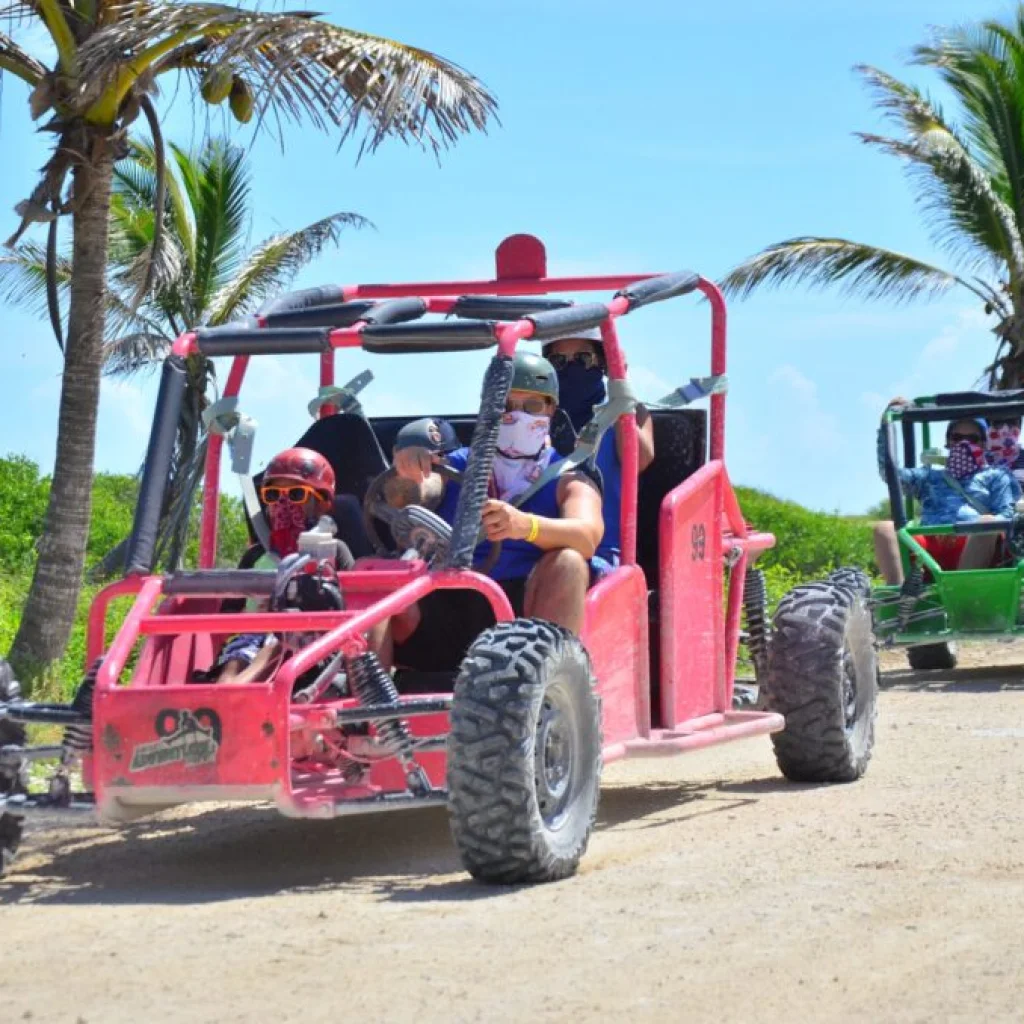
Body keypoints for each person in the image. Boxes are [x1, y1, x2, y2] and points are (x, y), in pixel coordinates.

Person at [376, 351, 605, 672]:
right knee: (373, 573)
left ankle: (546, 694)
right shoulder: (457, 464)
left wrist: (526, 527)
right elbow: (411, 495)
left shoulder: (567, 477)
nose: (518, 417)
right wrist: (409, 470)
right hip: (445, 604)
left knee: (569, 562)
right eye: (506, 407)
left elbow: (587, 536)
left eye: (532, 407)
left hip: (521, 616)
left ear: (551, 409)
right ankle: (364, 707)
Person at [216, 447, 352, 682]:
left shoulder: (333, 550)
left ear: (321, 503)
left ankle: (240, 690)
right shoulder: (257, 556)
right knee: (232, 664)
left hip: (314, 637)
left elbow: (354, 603)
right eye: (273, 495)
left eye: (296, 494)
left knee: (277, 644)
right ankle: (223, 702)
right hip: (254, 636)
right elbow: (227, 613)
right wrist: (254, 612)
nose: (283, 503)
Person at [541, 327, 655, 571]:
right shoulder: (534, 416)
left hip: (603, 553)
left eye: (583, 359)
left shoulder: (630, 414)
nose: (572, 369)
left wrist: (619, 390)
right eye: (559, 361)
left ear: (602, 362)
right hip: (536, 545)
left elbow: (639, 459)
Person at [873, 401, 1018, 584]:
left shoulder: (996, 476)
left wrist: (968, 529)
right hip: (928, 548)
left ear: (983, 443)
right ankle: (900, 596)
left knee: (988, 522)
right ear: (948, 442)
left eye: (972, 439)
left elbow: (1007, 515)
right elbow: (890, 474)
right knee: (884, 529)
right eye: (957, 438)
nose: (964, 444)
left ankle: (961, 594)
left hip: (974, 546)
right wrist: (885, 427)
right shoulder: (929, 476)